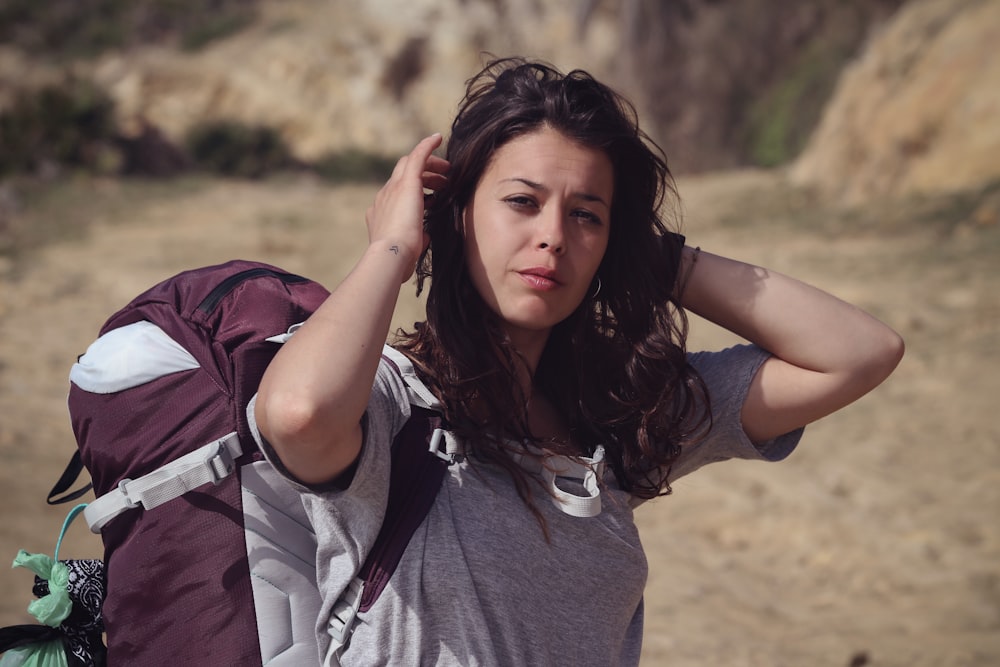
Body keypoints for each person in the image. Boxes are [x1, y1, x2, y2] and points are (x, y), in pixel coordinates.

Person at [250, 57, 904, 665]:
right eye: (522, 202)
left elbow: (857, 353)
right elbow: (298, 413)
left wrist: (654, 258)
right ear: (456, 216)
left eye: (586, 215)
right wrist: (393, 244)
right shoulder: (392, 404)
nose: (554, 236)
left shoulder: (620, 417)